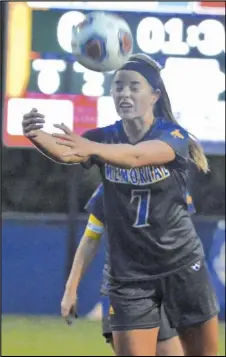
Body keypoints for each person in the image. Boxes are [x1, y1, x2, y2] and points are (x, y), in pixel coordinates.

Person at [22, 53, 219, 356]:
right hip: (129, 276)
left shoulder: (173, 135)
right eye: (118, 87)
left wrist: (91, 148)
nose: (124, 93)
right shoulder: (105, 138)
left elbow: (137, 155)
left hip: (181, 265)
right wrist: (35, 134)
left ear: (154, 95)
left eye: (134, 87)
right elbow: (66, 153)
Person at [61, 183, 196, 355]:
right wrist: (70, 290)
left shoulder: (173, 184)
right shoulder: (111, 186)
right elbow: (90, 239)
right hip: (123, 292)